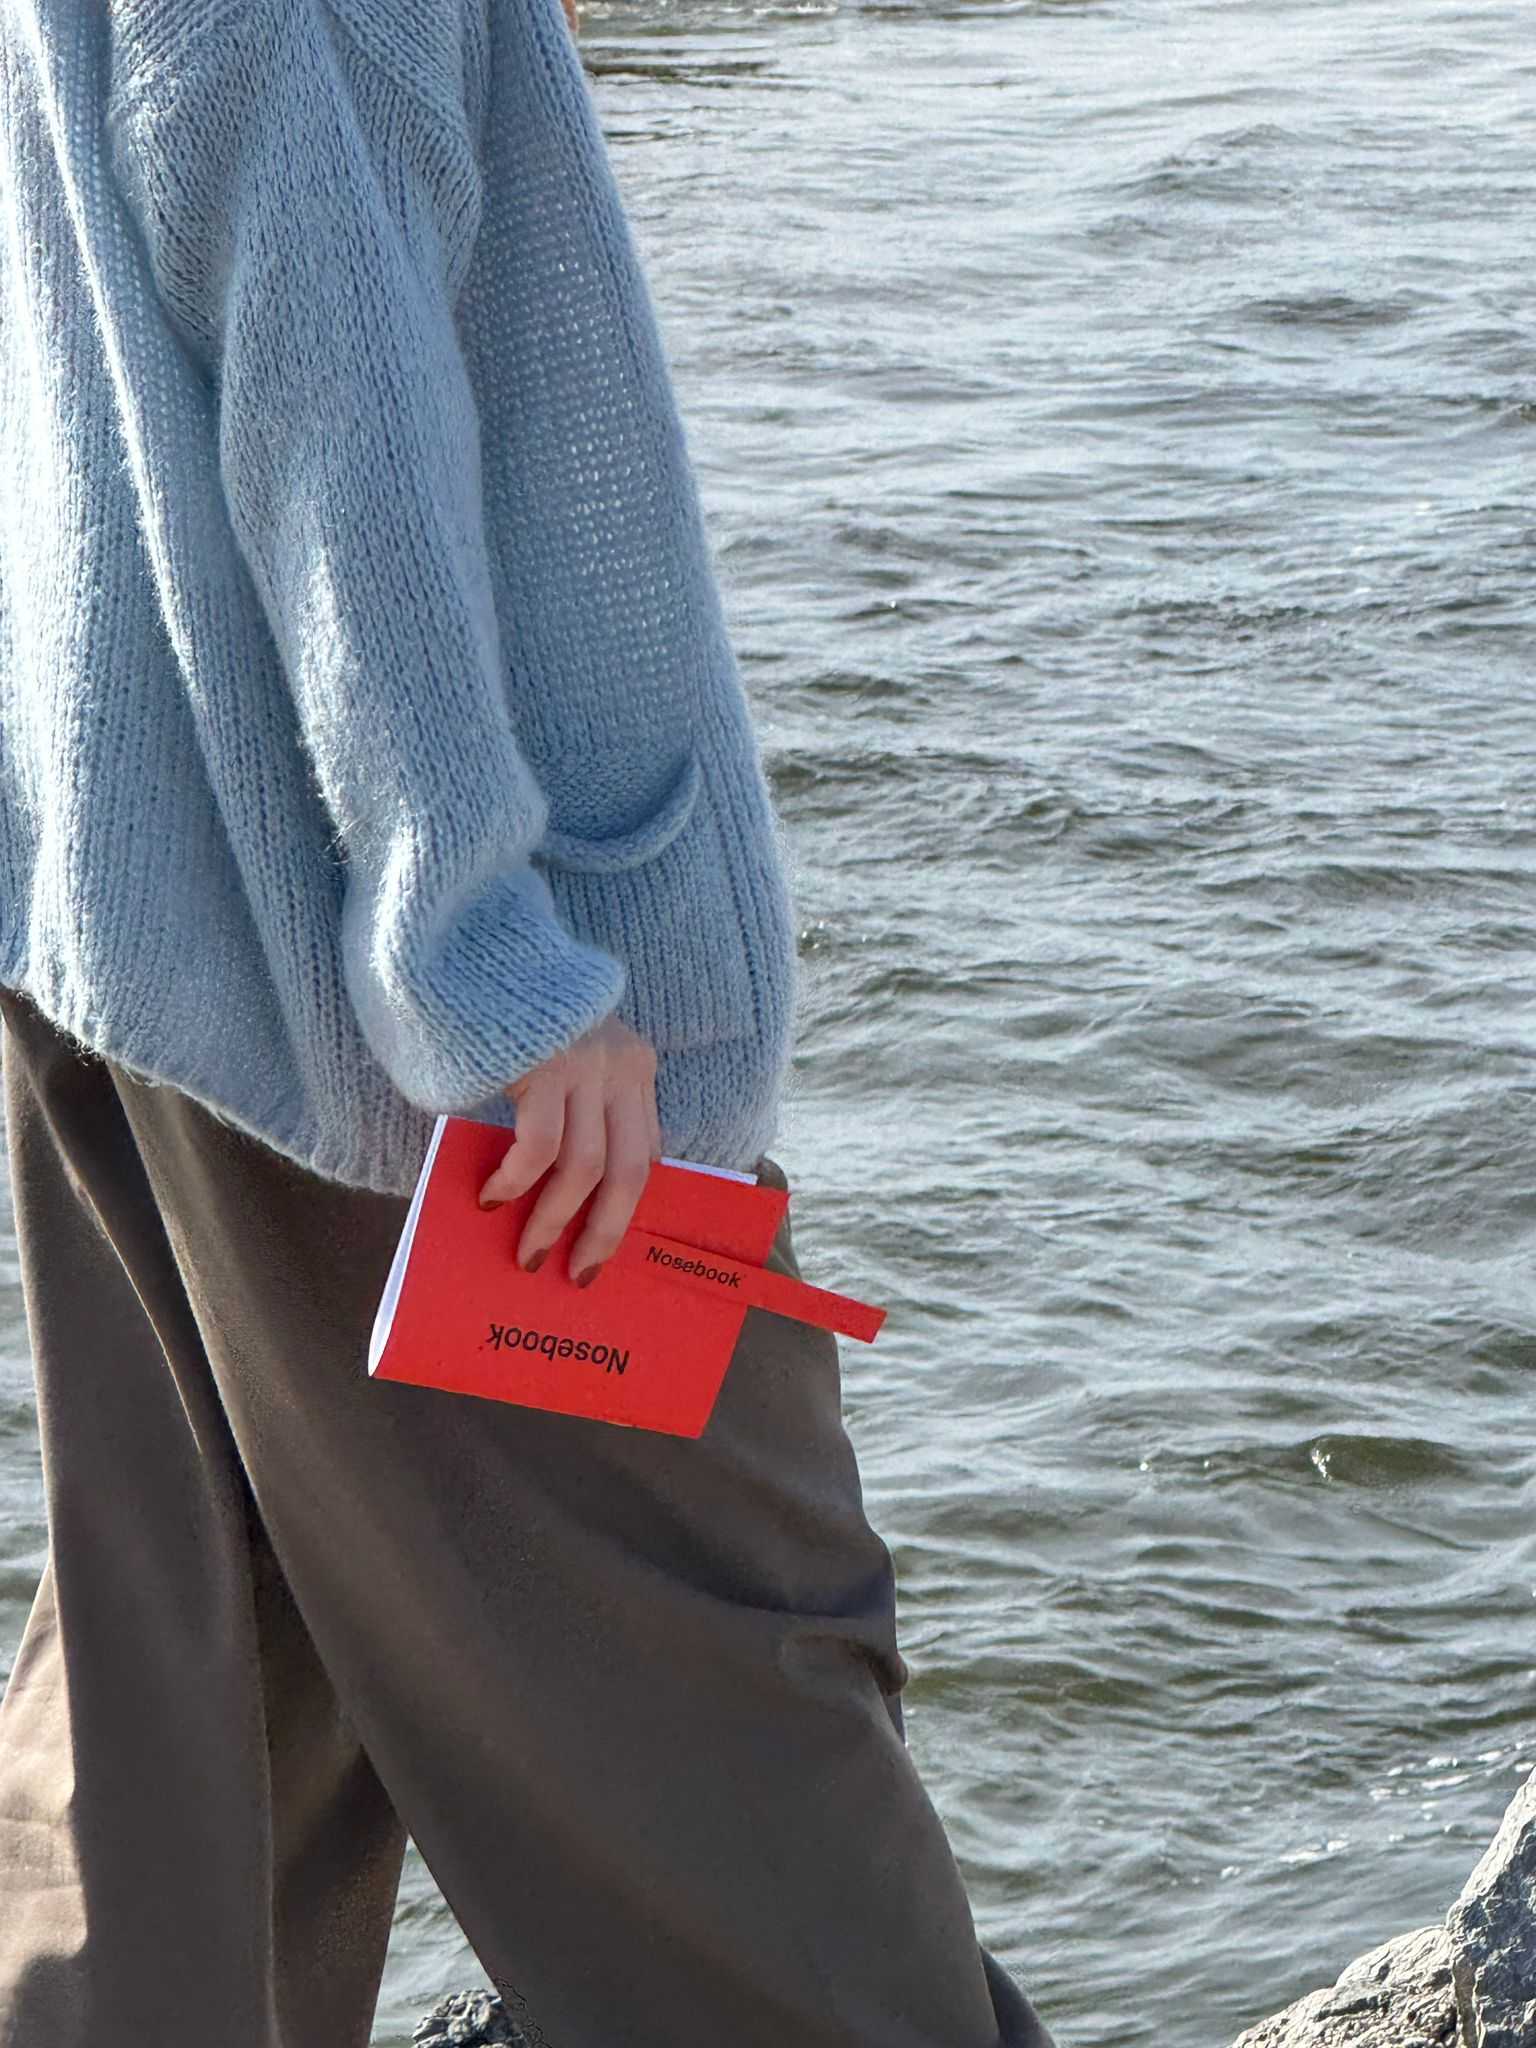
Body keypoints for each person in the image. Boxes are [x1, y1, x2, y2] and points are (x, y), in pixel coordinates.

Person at [0, 3, 1060, 2045]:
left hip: (136, 909)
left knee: (191, 1748)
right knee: (745, 1721)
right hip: (375, 1009)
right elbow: (333, 375)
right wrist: (479, 953)